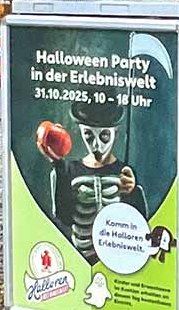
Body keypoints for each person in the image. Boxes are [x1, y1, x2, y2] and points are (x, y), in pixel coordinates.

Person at [37, 98, 149, 265]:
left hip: (117, 258)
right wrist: (58, 166)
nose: (96, 145)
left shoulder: (124, 173)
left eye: (104, 135)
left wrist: (133, 192)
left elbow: (140, 221)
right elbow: (64, 216)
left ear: (115, 132)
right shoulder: (70, 170)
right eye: (88, 135)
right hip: (80, 257)